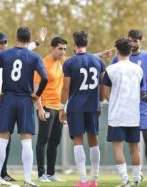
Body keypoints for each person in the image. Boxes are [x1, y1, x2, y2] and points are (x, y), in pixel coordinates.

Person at [0, 28, 47, 183]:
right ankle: (28, 179)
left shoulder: (5, 54)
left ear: (16, 37)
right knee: (26, 140)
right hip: (25, 100)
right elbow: (45, 77)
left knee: (2, 139)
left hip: (7, 99)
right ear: (29, 39)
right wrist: (37, 95)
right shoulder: (34, 56)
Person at [111, 29, 147, 183]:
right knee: (129, 141)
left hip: (142, 104)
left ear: (140, 41)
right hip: (125, 105)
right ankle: (135, 174)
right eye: (130, 40)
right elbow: (110, 78)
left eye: (135, 40)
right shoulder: (117, 59)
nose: (132, 43)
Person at [59, 31, 105, 187]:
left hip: (76, 107)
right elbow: (102, 86)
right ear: (87, 43)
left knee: (78, 142)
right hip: (93, 106)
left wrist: (61, 108)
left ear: (74, 43)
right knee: (94, 140)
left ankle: (84, 180)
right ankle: (95, 179)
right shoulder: (97, 61)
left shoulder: (70, 63)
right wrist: (100, 104)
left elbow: (65, 89)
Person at [102, 38, 143, 187]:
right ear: (131, 50)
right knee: (134, 148)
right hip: (133, 114)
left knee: (118, 147)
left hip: (117, 114)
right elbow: (139, 88)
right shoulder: (138, 69)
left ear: (117, 50)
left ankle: (125, 181)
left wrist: (114, 101)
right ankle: (137, 180)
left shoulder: (111, 69)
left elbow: (105, 91)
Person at [34, 36, 67, 183]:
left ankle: (51, 173)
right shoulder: (42, 63)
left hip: (58, 107)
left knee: (55, 141)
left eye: (65, 49)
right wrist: (40, 108)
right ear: (52, 48)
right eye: (60, 48)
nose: (63, 52)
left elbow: (81, 59)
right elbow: (36, 88)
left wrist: (100, 55)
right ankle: (41, 174)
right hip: (46, 106)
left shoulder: (62, 62)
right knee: (43, 140)